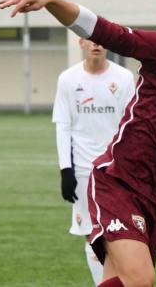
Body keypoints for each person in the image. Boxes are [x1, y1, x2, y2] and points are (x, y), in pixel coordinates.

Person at [0, 0, 156, 287]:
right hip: (119, 181)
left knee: (118, 280)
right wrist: (52, 1)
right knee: (141, 279)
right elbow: (106, 31)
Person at [52, 38, 135, 285]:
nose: (96, 45)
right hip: (83, 172)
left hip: (116, 170)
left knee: (119, 235)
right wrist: (65, 169)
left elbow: (130, 124)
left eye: (101, 41)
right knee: (91, 236)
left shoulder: (123, 77)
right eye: (90, 41)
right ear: (81, 43)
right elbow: (63, 126)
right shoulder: (67, 79)